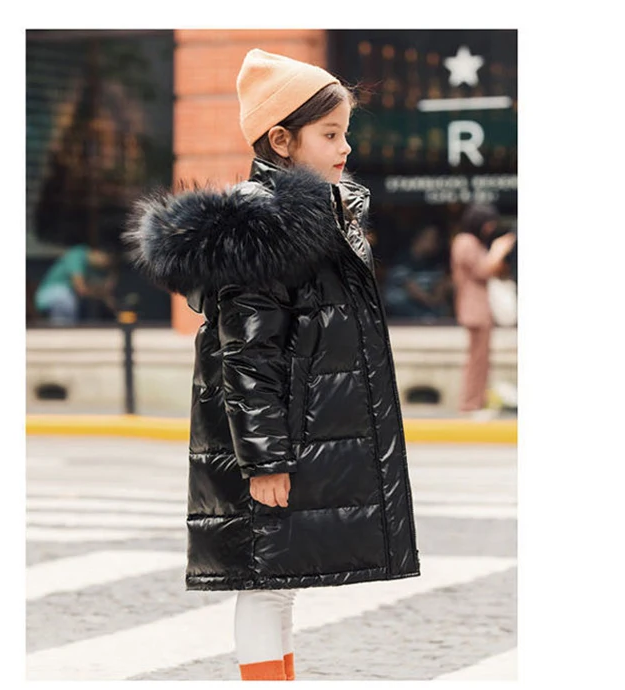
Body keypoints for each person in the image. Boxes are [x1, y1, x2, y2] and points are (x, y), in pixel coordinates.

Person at [124, 48, 420, 681]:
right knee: (263, 583)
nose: (345, 147)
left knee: (280, 581)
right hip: (269, 442)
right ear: (282, 140)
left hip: (293, 434)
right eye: (330, 134)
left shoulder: (317, 217)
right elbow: (247, 356)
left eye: (346, 133)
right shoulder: (268, 229)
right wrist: (264, 460)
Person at [450, 204, 516, 418]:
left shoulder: (467, 241)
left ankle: (476, 402)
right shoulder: (466, 242)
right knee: (477, 360)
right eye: (489, 224)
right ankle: (470, 405)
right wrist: (498, 250)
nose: (490, 228)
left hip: (477, 307)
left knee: (481, 359)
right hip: (475, 308)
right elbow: (483, 270)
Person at [34, 245, 117, 325]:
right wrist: (104, 297)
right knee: (65, 302)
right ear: (97, 252)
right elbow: (81, 289)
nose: (106, 264)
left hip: (69, 300)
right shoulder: (77, 255)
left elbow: (96, 289)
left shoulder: (93, 268)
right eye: (107, 259)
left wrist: (106, 292)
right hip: (54, 296)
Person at [384, 225, 451, 321]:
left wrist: (437, 299)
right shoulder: (402, 260)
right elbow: (413, 289)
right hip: (403, 312)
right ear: (419, 238)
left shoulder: (434, 261)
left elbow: (441, 282)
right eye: (432, 238)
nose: (435, 243)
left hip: (427, 307)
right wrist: (433, 302)